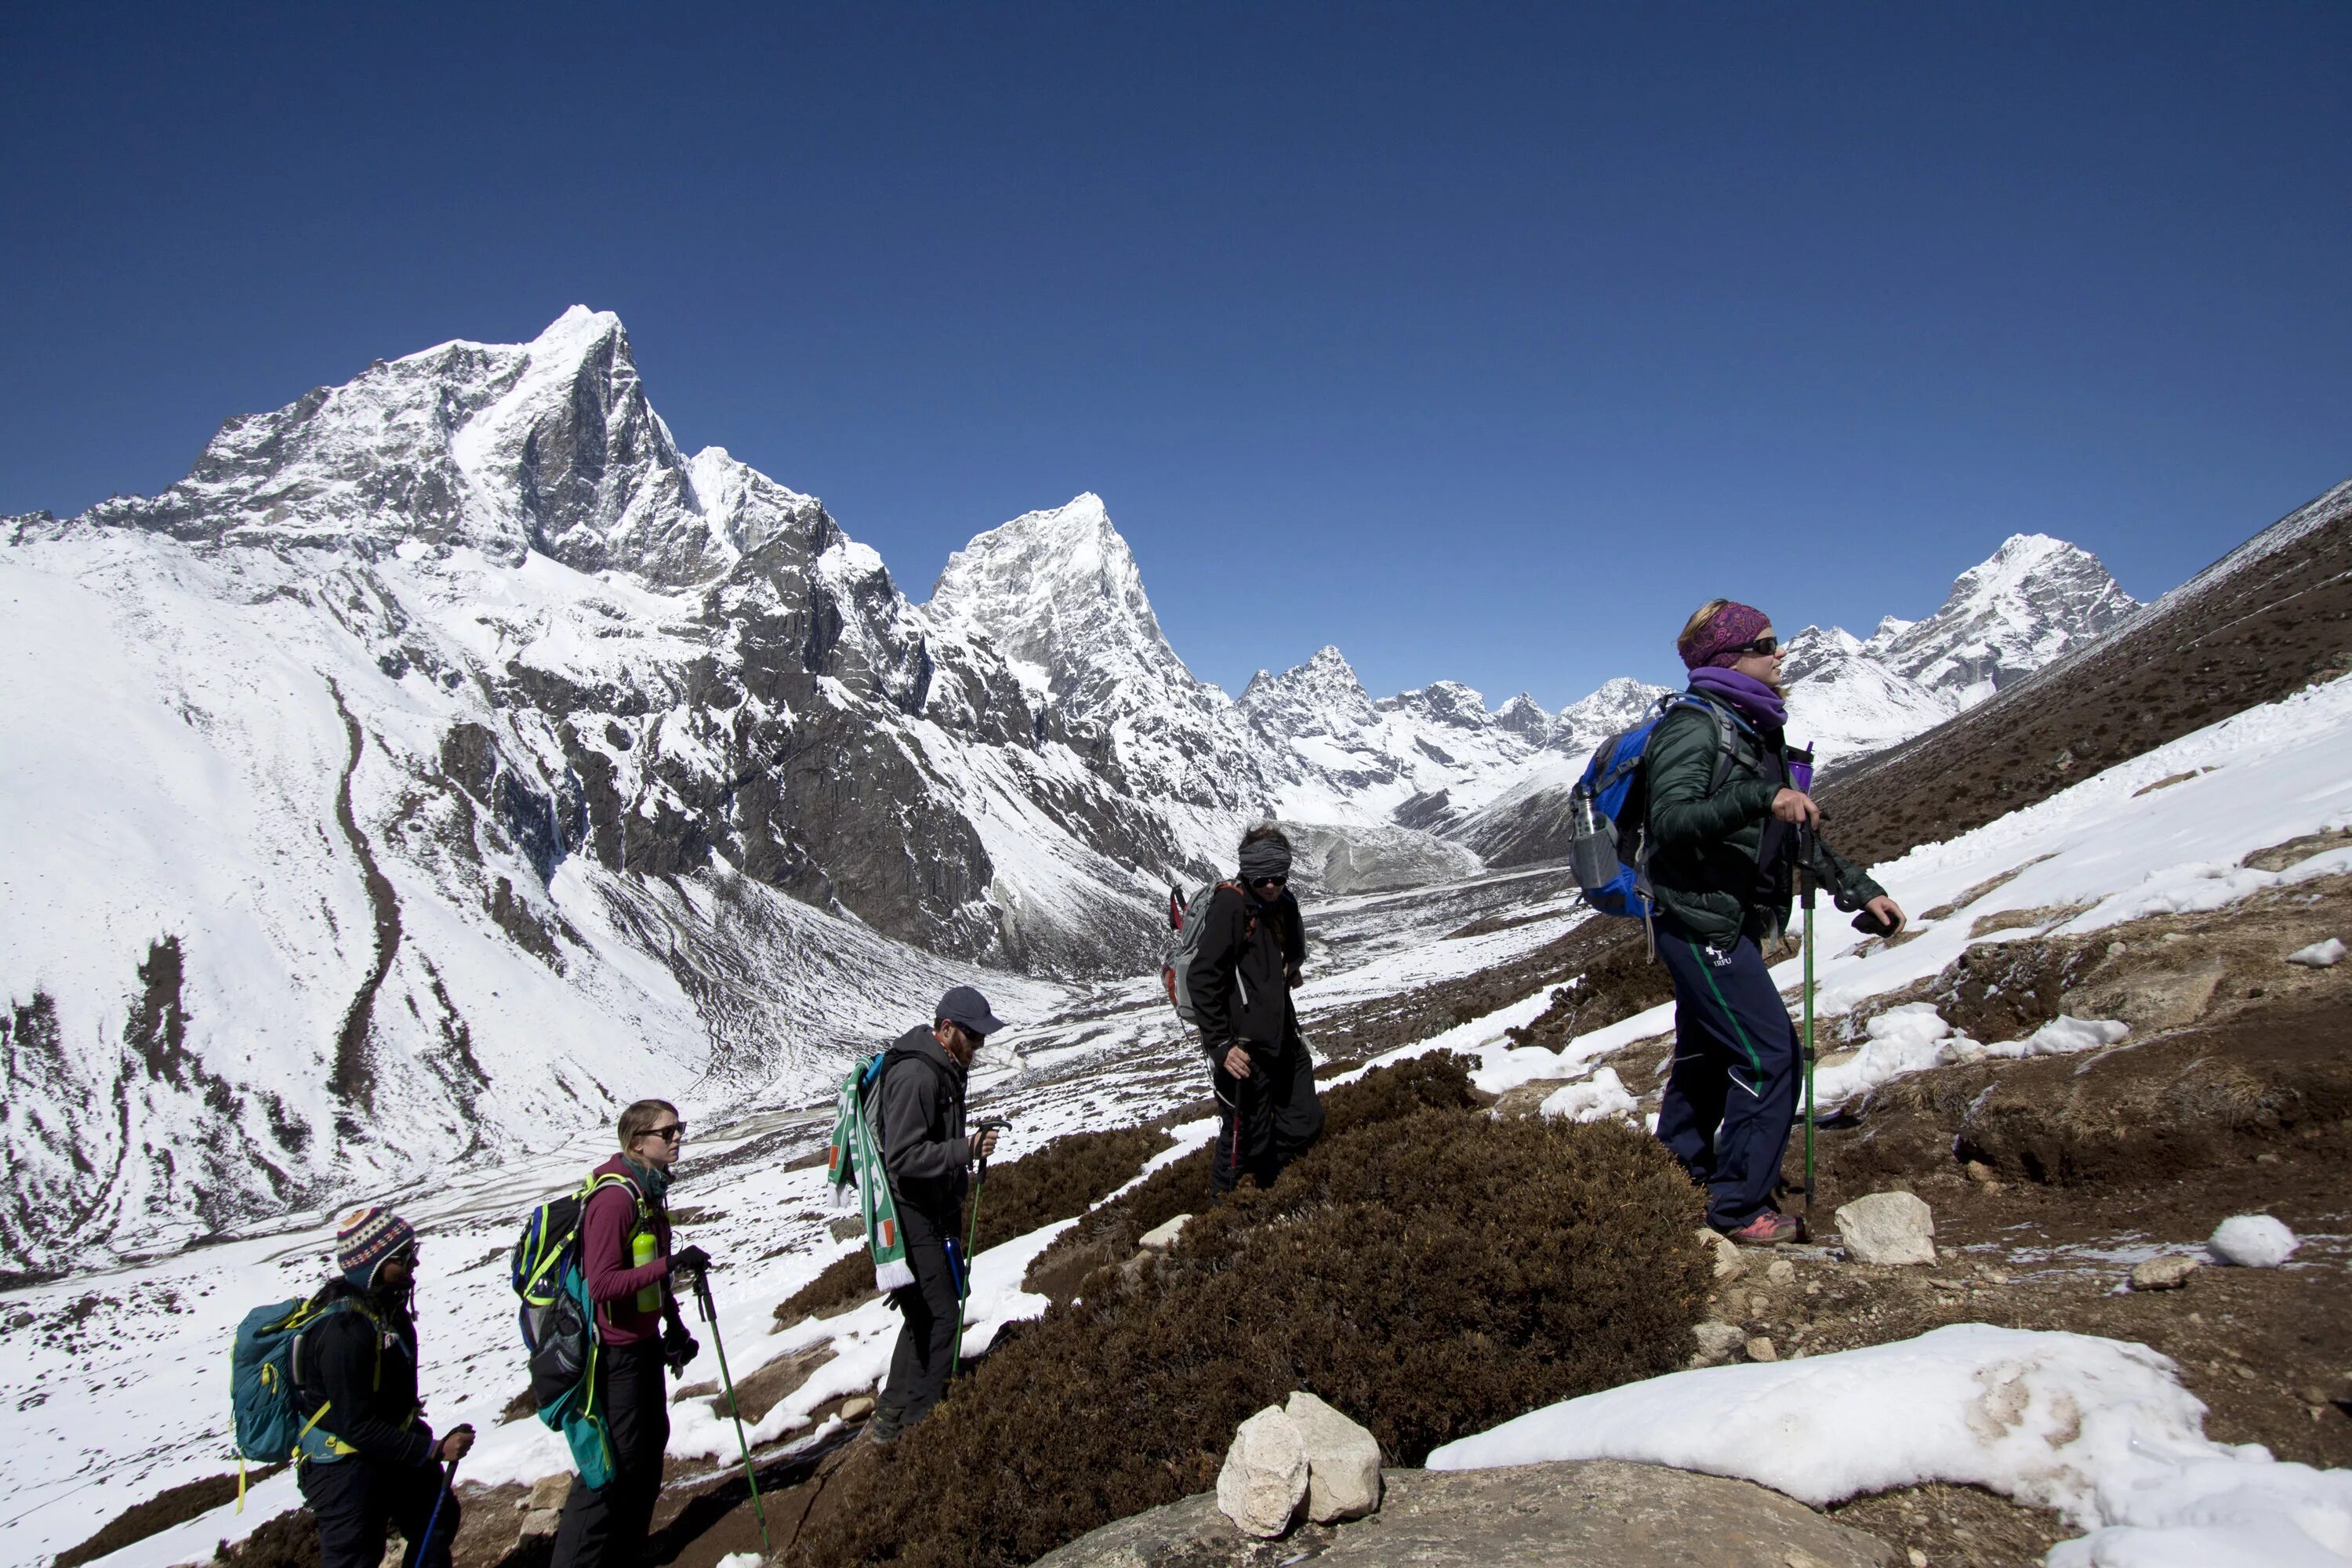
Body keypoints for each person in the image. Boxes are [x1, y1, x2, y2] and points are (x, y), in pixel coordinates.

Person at [1647, 600, 1907, 1245]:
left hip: (1724, 919)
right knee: (1769, 1055)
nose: (1781, 653)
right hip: (1698, 921)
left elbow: (1786, 832)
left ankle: (1671, 1177)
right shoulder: (1696, 727)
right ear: (1730, 657)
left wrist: (1858, 889)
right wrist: (1762, 794)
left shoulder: (1752, 726)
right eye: (1767, 643)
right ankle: (1736, 1209)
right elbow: (1672, 821)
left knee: (1710, 1055)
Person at [550, 1099, 710, 1567]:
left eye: (679, 1128)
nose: (678, 1137)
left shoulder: (648, 1191)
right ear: (638, 1143)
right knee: (610, 1467)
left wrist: (673, 1324)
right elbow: (602, 1284)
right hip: (614, 1356)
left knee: (647, 1447)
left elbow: (645, 1274)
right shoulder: (616, 1199)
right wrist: (672, 1264)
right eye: (668, 1132)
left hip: (641, 1345)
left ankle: (626, 1551)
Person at [293, 1207, 474, 1568]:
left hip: (388, 1442)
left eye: (414, 1253)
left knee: (436, 1520)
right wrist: (434, 1449)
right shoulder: (344, 1332)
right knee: (355, 1556)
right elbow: (355, 1425)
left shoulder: (388, 1312)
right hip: (343, 1464)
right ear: (372, 1266)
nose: (414, 1265)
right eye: (403, 1258)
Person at [867, 985, 1007, 1444]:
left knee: (924, 1314)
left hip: (930, 1209)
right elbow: (903, 1157)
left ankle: (892, 1415)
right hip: (912, 1215)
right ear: (946, 1029)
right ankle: (923, 1424)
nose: (980, 1045)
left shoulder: (945, 1065)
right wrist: (963, 1149)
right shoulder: (918, 1076)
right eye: (973, 1035)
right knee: (943, 1317)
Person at [1189, 822, 1327, 1197]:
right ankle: (1224, 1218)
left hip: (1283, 1039)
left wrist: (1288, 970)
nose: (1270, 884)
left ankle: (1272, 1189)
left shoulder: (1284, 903)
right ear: (1247, 871)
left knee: (1305, 1122)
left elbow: (1294, 949)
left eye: (1278, 877)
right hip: (1243, 1050)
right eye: (1262, 877)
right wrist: (1220, 1044)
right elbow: (1202, 978)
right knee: (1244, 1141)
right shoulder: (1230, 906)